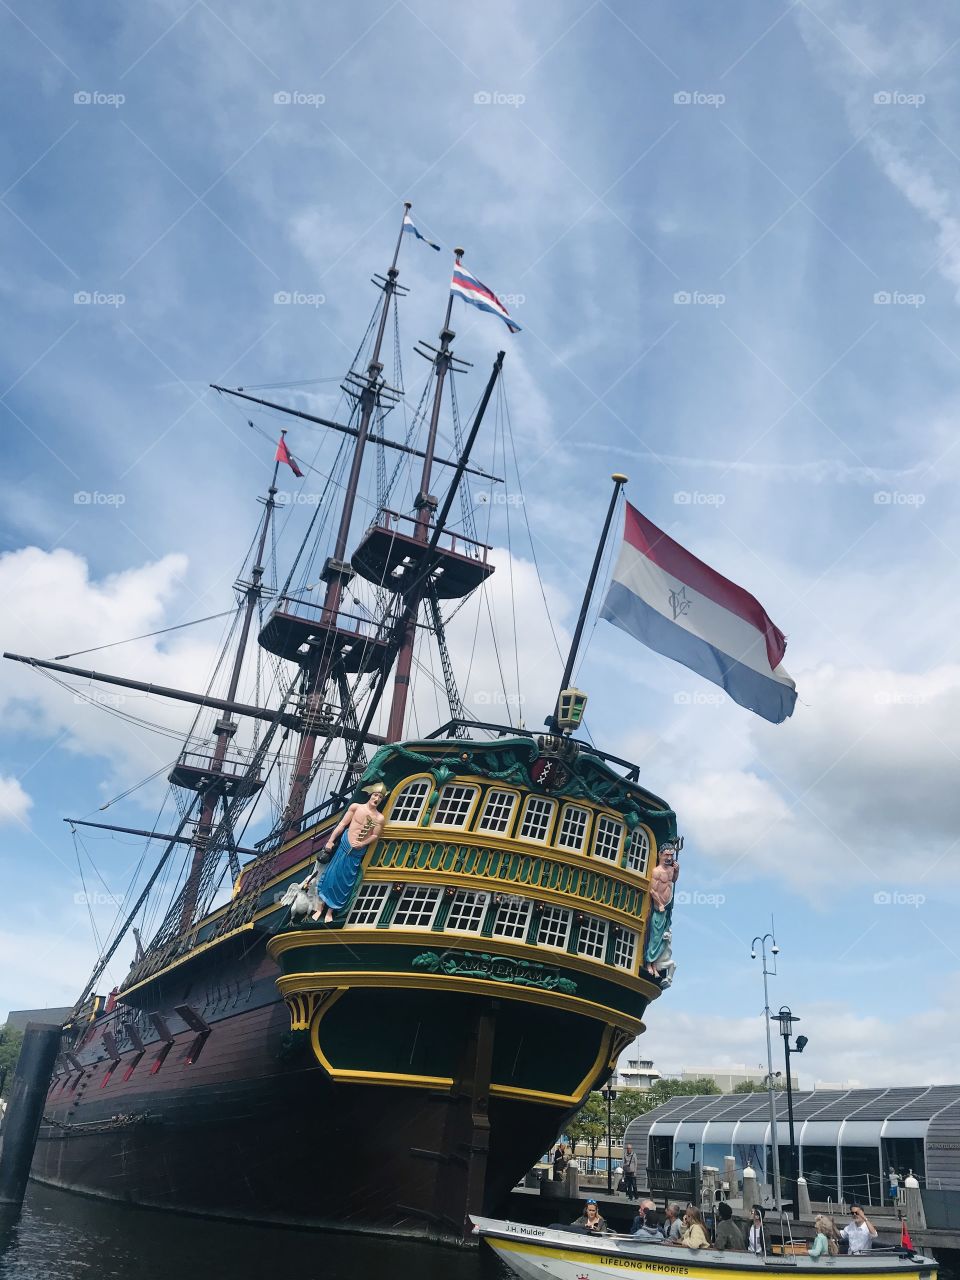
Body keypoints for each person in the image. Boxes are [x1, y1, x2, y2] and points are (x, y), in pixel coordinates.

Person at [311, 781, 388, 923]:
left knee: (344, 882)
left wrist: (362, 843)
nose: (377, 799)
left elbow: (374, 835)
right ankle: (320, 908)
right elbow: (342, 824)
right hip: (344, 846)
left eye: (380, 797)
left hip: (356, 853)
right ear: (370, 795)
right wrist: (331, 841)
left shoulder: (379, 818)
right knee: (331, 876)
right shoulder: (356, 807)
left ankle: (330, 911)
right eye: (375, 795)